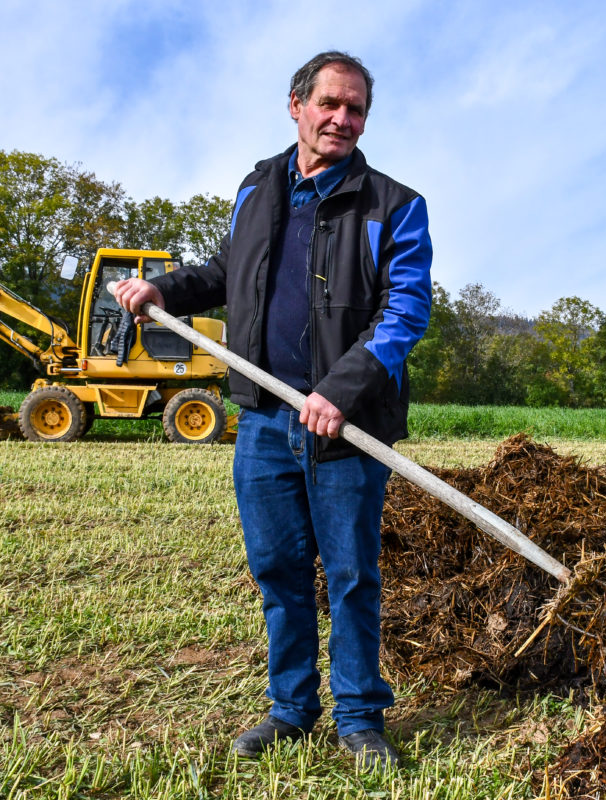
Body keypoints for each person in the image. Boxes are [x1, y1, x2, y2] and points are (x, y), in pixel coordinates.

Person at [113, 51, 432, 770]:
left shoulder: (394, 205)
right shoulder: (257, 188)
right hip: (262, 420)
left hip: (346, 427)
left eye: (356, 110)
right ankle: (291, 710)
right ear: (296, 105)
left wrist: (340, 390)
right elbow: (229, 275)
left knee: (351, 576)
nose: (342, 120)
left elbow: (406, 311)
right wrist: (162, 289)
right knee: (278, 570)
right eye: (330, 104)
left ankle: (359, 719)